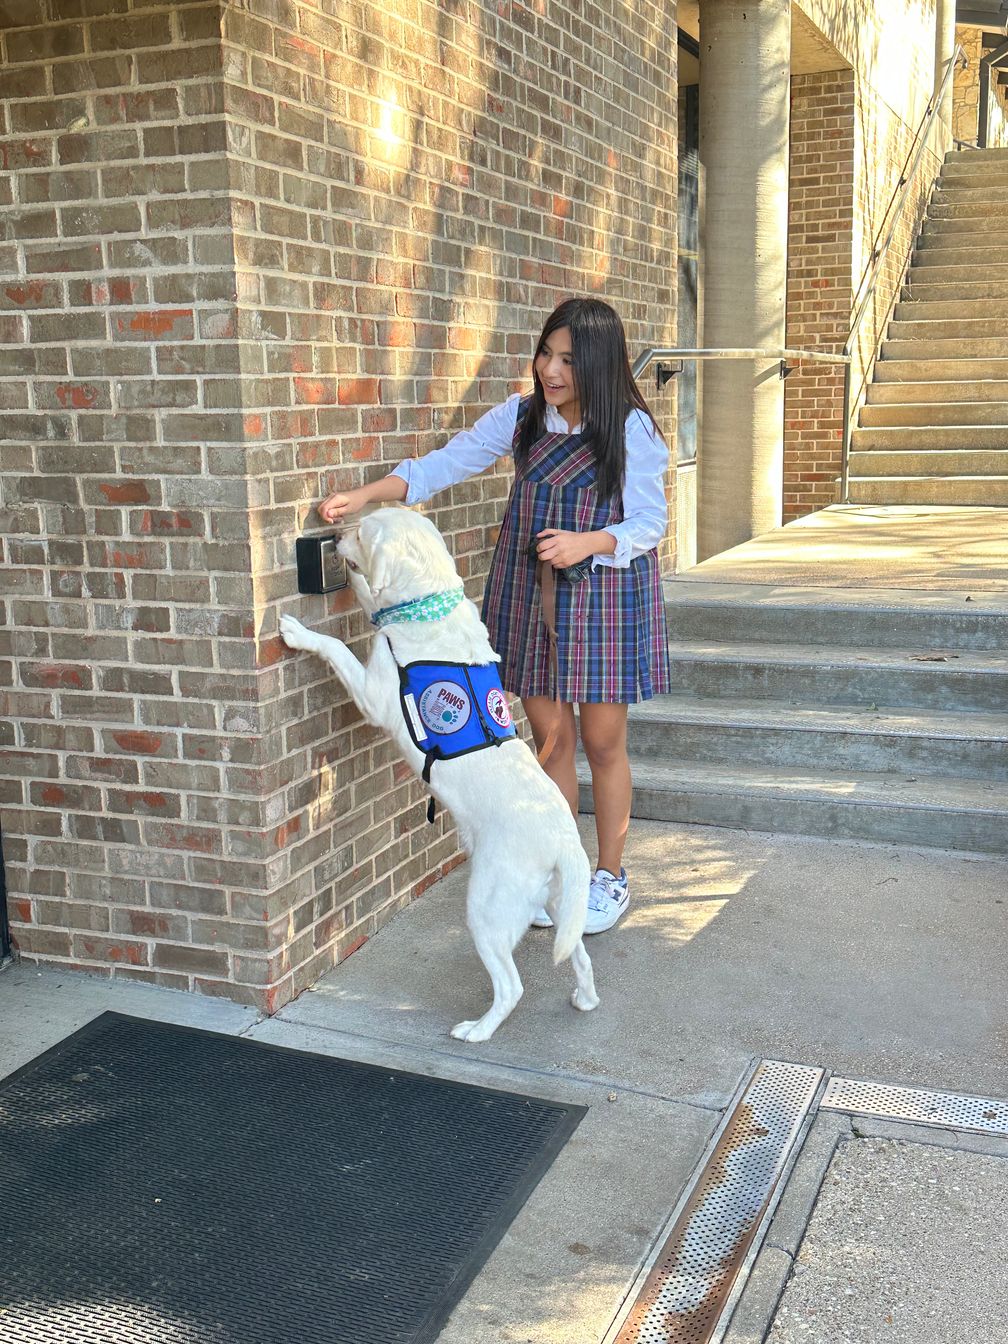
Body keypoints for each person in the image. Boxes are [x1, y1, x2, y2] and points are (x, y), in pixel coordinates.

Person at [318, 297, 671, 934]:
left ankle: (610, 876)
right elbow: (441, 466)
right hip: (531, 590)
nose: (550, 370)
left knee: (602, 742)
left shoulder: (630, 430)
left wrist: (584, 543)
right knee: (552, 742)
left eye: (567, 359)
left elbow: (650, 522)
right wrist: (364, 497)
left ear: (597, 364)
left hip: (604, 594)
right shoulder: (521, 416)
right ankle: (556, 874)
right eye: (546, 354)